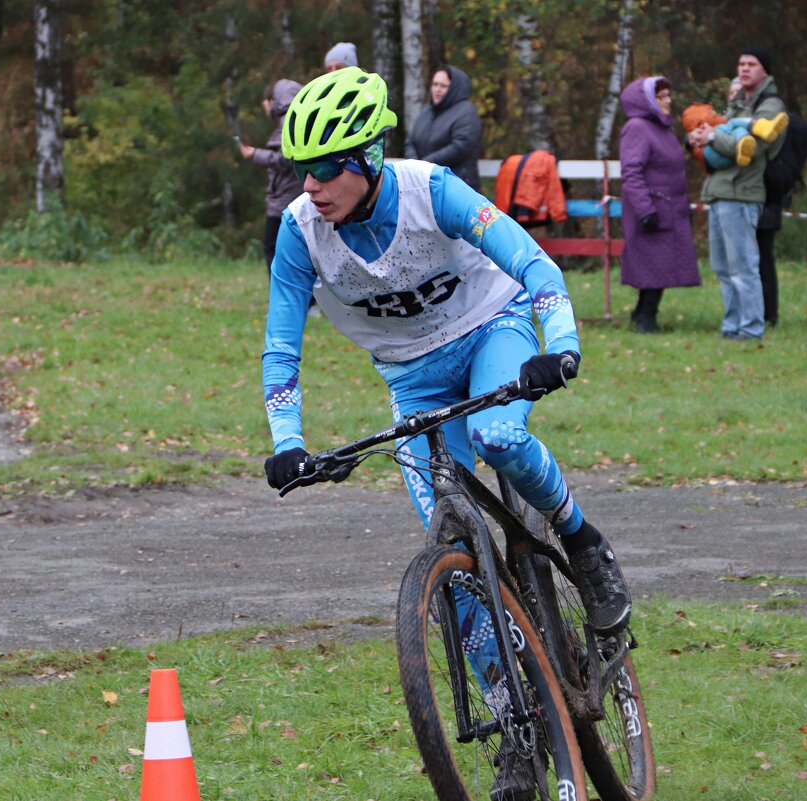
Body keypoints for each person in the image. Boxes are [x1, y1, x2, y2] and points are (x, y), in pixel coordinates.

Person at [261, 67, 632, 798]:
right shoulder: (301, 232)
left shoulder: (432, 190)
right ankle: (513, 731)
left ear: (367, 160)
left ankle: (582, 542)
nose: (310, 184)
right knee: (450, 551)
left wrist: (558, 344)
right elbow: (281, 346)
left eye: (326, 168)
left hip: (489, 333)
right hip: (412, 377)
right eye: (301, 169)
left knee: (498, 436)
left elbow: (532, 261)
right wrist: (286, 442)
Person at [687, 46, 787, 341]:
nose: (744, 69)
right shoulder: (737, 102)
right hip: (718, 192)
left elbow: (748, 152)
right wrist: (696, 138)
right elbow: (722, 138)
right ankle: (732, 327)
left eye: (752, 64)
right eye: (741, 63)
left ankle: (751, 328)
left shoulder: (770, 107)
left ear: (764, 71)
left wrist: (713, 137)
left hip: (742, 194)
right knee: (722, 267)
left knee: (743, 266)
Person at [619, 76, 701, 333]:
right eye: (661, 96)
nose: (668, 101)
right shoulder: (637, 127)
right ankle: (645, 319)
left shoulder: (661, 128)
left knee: (660, 268)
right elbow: (631, 171)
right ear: (646, 100)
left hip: (669, 210)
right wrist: (645, 210)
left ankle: (643, 314)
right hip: (652, 210)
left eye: (668, 95)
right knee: (652, 267)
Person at [237, 79, 304, 276]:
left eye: (267, 100)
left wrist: (253, 154)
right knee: (294, 251)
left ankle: (287, 300)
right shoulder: (297, 118)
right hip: (291, 197)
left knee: (273, 249)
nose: (264, 106)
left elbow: (286, 159)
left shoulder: (287, 122)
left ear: (275, 100)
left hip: (285, 198)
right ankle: (307, 302)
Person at [404, 65, 483, 191]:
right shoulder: (427, 111)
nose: (437, 89)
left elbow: (461, 146)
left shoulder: (467, 112)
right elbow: (411, 141)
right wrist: (415, 164)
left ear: (454, 88)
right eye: (435, 84)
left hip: (457, 186)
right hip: (425, 184)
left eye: (443, 86)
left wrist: (425, 164)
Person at [682, 78, 788, 171]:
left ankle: (761, 129)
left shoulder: (757, 108)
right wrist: (711, 136)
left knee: (737, 126)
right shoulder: (727, 116)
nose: (735, 95)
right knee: (736, 125)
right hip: (733, 179)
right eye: (731, 92)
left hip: (748, 174)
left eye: (738, 91)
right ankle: (760, 128)